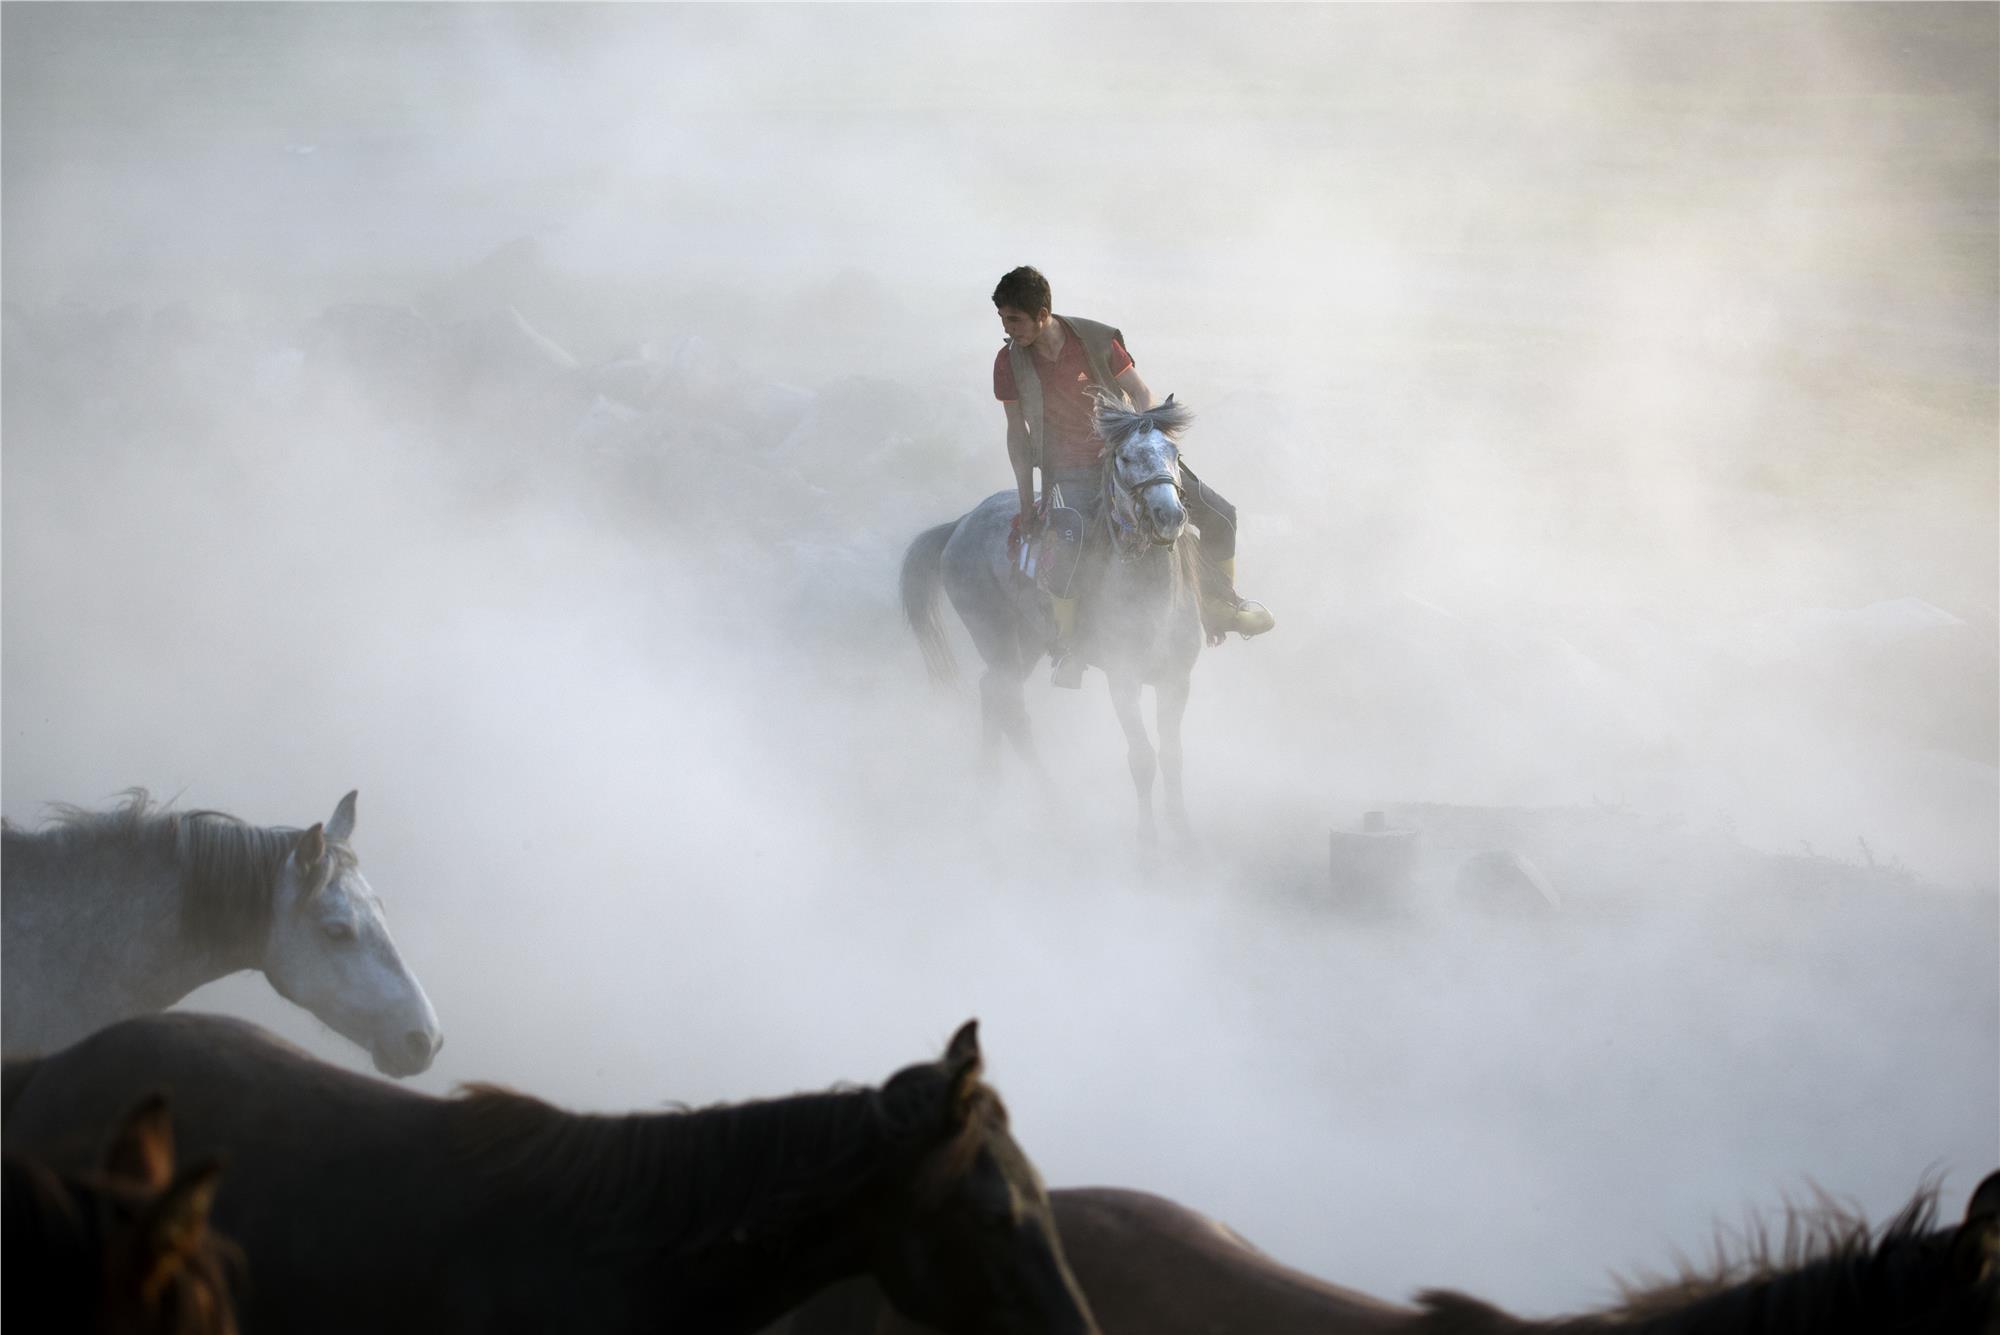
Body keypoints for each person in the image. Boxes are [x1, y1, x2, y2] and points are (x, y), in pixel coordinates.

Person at [991, 264, 1273, 688]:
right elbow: (1018, 434)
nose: (1009, 331)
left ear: (1043, 314)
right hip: (1067, 471)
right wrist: (1027, 498)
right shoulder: (1008, 363)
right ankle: (1069, 647)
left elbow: (1142, 394)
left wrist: (1141, 446)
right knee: (1071, 544)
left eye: (1014, 320)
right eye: (1003, 320)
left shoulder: (1099, 340)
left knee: (1221, 515)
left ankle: (1221, 605)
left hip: (1128, 454)